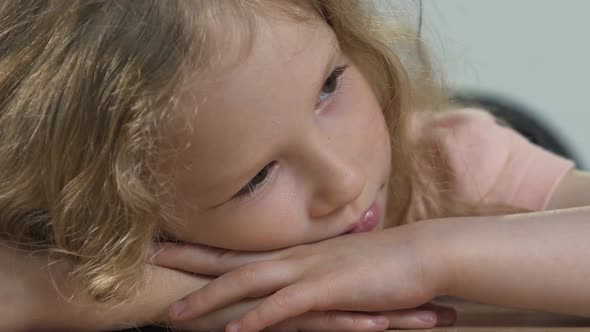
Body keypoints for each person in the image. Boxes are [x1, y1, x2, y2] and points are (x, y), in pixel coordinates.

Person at [0, 1, 588, 331]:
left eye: (329, 88)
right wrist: (148, 295)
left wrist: (430, 254)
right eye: (256, 178)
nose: (344, 181)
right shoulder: (109, 249)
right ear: (125, 223)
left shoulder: (448, 163)